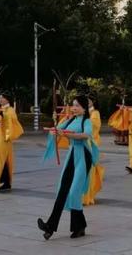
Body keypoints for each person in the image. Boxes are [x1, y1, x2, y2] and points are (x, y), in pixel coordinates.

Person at [38, 95, 99, 240]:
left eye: (77, 105)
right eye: (73, 105)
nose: (74, 108)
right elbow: (57, 130)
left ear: (84, 108)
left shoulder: (86, 120)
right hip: (72, 156)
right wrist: (55, 128)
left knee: (73, 193)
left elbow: (87, 135)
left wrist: (67, 134)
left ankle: (79, 226)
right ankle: (50, 227)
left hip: (83, 157)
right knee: (62, 190)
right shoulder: (70, 119)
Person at [83, 95, 105, 205]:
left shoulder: (95, 113)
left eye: (89, 101)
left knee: (89, 170)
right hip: (83, 143)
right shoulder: (84, 112)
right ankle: (83, 195)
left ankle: (88, 196)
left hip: (91, 144)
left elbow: (94, 127)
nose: (87, 102)